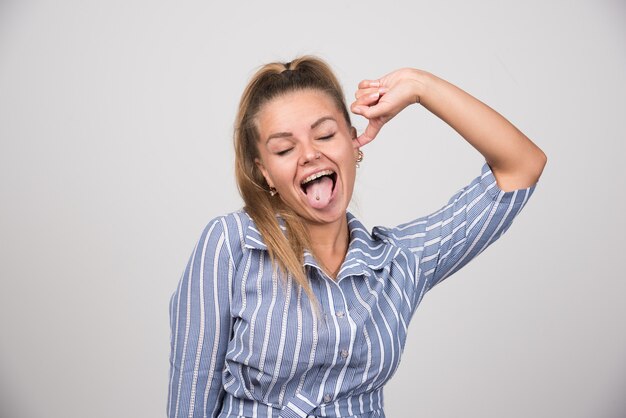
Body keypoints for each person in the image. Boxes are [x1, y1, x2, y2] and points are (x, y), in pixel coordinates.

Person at [167, 56, 547, 418]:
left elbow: (521, 166)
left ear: (353, 142)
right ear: (264, 171)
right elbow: (191, 394)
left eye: (326, 135)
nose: (309, 155)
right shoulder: (231, 243)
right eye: (284, 149)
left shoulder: (399, 263)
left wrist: (419, 86)